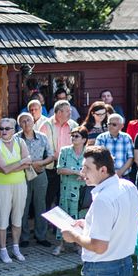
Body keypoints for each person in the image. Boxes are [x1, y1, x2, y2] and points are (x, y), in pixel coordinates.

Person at [62, 146, 138, 276]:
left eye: (87, 168)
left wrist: (73, 236)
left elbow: (99, 247)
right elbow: (117, 223)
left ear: (103, 170)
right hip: (125, 265)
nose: (82, 172)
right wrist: (88, 224)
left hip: (101, 271)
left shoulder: (103, 200)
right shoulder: (129, 187)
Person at [0, 118, 31, 263]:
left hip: (20, 184)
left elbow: (28, 164)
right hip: (1, 185)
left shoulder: (20, 142)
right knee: (2, 219)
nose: (3, 131)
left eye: (7, 128)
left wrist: (10, 167)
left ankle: (15, 248)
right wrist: (21, 162)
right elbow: (6, 169)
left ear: (13, 130)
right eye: (1, 128)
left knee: (17, 218)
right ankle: (3, 250)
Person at [15, 113, 54, 248]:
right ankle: (24, 237)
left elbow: (51, 156)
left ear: (33, 122)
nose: (26, 123)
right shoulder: (15, 139)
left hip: (40, 173)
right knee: (23, 206)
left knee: (40, 205)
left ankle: (41, 235)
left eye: (28, 120)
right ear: (19, 124)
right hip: (22, 175)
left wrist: (41, 163)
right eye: (23, 121)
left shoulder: (42, 137)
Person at [54, 126, 89, 256]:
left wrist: (84, 175)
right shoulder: (65, 151)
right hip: (67, 189)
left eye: (76, 136)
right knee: (64, 217)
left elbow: (92, 169)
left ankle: (78, 245)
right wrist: (75, 172)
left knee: (80, 217)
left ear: (84, 139)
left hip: (82, 191)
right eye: (72, 135)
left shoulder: (89, 153)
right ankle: (61, 244)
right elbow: (59, 169)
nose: (73, 138)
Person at [40, 100, 79, 210]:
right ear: (58, 112)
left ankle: (61, 225)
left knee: (64, 197)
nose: (70, 113)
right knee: (48, 197)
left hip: (69, 166)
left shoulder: (74, 125)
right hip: (51, 167)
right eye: (67, 111)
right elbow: (44, 147)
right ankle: (47, 223)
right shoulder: (46, 125)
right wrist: (58, 157)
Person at [95, 114, 134, 179]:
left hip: (123, 176)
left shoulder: (127, 138)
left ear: (121, 126)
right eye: (109, 124)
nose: (110, 126)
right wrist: (109, 173)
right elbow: (97, 157)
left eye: (114, 124)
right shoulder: (101, 138)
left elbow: (131, 158)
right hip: (105, 176)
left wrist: (120, 173)